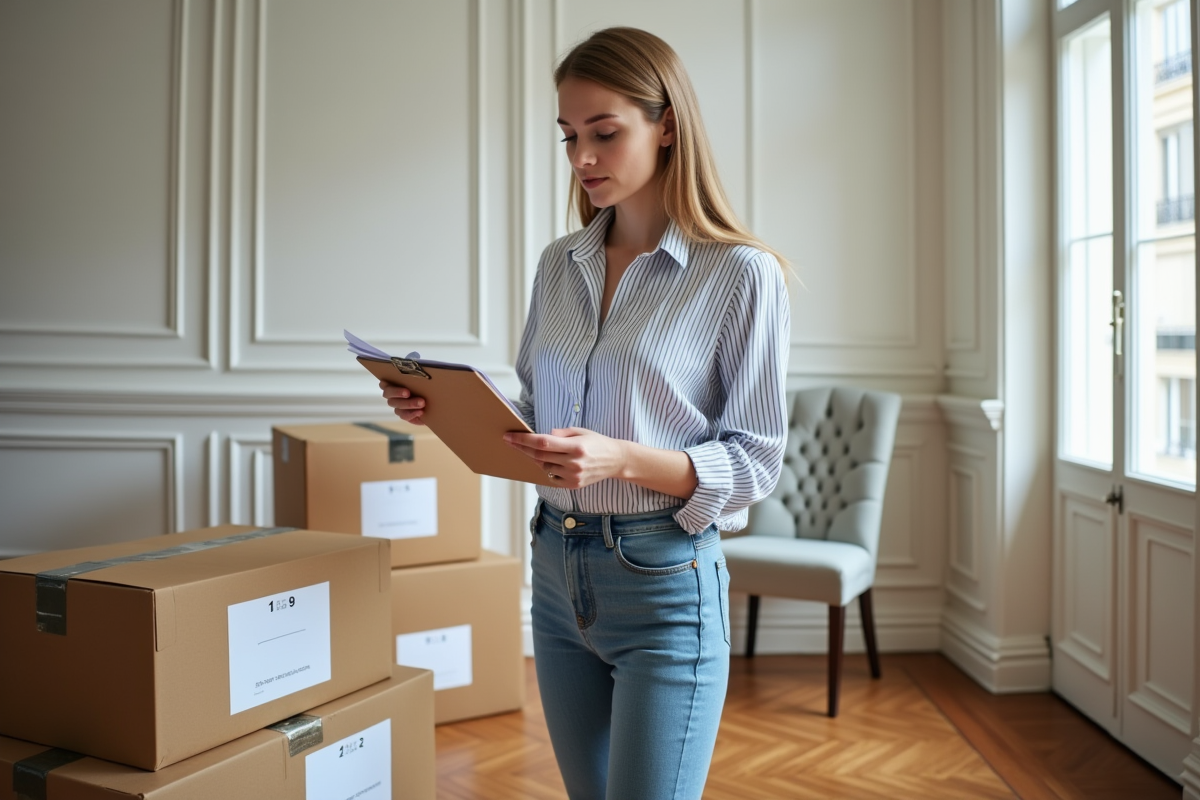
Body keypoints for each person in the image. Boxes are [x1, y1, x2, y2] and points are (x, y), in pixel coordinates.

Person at [381, 26, 790, 800]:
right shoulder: (558, 263)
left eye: (604, 133)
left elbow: (755, 463)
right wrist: (440, 409)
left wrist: (622, 458)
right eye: (570, 136)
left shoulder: (742, 274)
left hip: (664, 581)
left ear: (667, 125)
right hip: (556, 571)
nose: (581, 159)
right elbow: (538, 416)